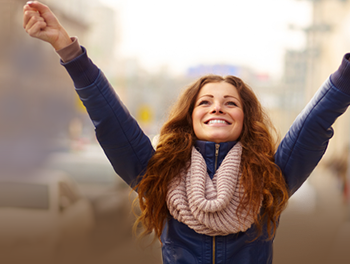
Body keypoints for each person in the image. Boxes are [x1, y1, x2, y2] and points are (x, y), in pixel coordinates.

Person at [23, 1, 350, 263]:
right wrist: (66, 48)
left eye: (230, 103)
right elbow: (110, 120)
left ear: (245, 119)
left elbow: (314, 123)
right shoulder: (159, 175)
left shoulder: (269, 180)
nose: (217, 108)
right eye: (204, 102)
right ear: (190, 118)